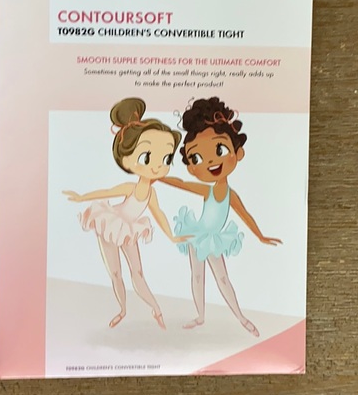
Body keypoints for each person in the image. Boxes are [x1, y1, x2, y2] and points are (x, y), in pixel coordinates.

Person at [63, 97, 189, 329]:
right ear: (127, 158)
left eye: (166, 158)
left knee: (137, 272)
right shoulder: (130, 187)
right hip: (111, 223)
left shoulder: (151, 193)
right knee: (115, 272)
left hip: (129, 229)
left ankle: (156, 309)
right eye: (147, 157)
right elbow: (107, 192)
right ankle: (122, 309)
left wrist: (172, 236)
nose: (157, 166)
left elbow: (159, 214)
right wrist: (81, 197)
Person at [160, 97, 282, 336]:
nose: (211, 162)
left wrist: (260, 236)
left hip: (213, 239)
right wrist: (159, 177)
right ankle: (200, 316)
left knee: (222, 279)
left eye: (219, 150)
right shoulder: (207, 190)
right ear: (191, 166)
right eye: (197, 158)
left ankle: (241, 318)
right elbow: (183, 184)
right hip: (197, 236)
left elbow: (245, 215)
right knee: (197, 276)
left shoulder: (229, 194)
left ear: (238, 152)